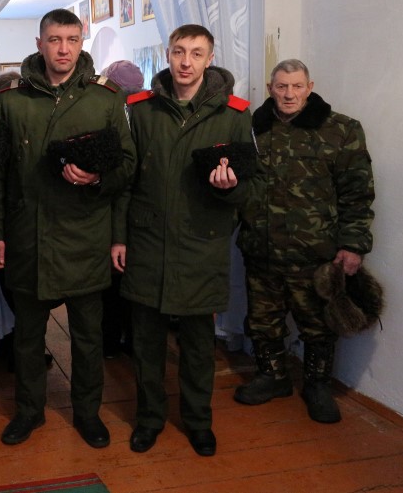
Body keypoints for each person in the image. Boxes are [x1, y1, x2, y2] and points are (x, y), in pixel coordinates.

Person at [0, 8, 136, 449]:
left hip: (85, 234)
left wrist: (98, 178)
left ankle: (88, 413)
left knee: (88, 337)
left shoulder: (105, 98)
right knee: (28, 337)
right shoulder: (11, 99)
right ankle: (29, 412)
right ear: (39, 43)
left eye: (71, 39)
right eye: (54, 39)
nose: (63, 49)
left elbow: (128, 167)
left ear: (81, 42)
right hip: (28, 235)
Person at [113, 24, 256, 457]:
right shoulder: (141, 110)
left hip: (201, 242)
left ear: (210, 59)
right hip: (147, 241)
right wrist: (119, 237)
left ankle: (198, 422)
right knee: (146, 343)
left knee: (197, 345)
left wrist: (230, 187)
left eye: (196, 53)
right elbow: (126, 181)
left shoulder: (234, 114)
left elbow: (253, 186)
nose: (186, 62)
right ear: (167, 54)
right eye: (179, 51)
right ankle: (149, 419)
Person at [234, 59, 375, 424]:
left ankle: (317, 385)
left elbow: (357, 193)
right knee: (263, 321)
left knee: (318, 325)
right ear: (270, 88)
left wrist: (354, 245)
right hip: (262, 249)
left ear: (310, 87)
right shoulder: (251, 129)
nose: (289, 94)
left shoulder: (341, 130)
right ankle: (272, 376)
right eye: (282, 86)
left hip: (315, 254)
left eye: (297, 86)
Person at [100, 60, 144, 358]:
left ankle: (110, 340)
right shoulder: (146, 111)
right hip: (141, 209)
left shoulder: (108, 109)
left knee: (112, 282)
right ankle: (132, 339)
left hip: (113, 202)